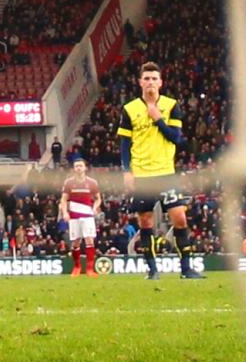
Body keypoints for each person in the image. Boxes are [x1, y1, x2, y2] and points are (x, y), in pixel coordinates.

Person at [117, 62, 198, 280]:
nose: (151, 82)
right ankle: (152, 271)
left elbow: (176, 137)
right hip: (142, 175)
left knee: (180, 218)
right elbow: (125, 143)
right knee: (145, 222)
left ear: (160, 82)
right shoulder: (130, 109)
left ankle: (186, 269)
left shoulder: (171, 105)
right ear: (140, 82)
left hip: (165, 173)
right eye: (147, 78)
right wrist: (127, 171)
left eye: (154, 78)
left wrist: (157, 118)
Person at [59, 154, 102, 276]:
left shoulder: (92, 183)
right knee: (76, 242)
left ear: (85, 168)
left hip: (87, 214)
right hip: (74, 215)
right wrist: (65, 212)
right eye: (76, 166)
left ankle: (89, 269)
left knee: (89, 240)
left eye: (80, 166)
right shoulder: (69, 183)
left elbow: (98, 199)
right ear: (73, 168)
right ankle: (77, 266)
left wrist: (95, 208)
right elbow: (63, 199)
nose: (78, 168)